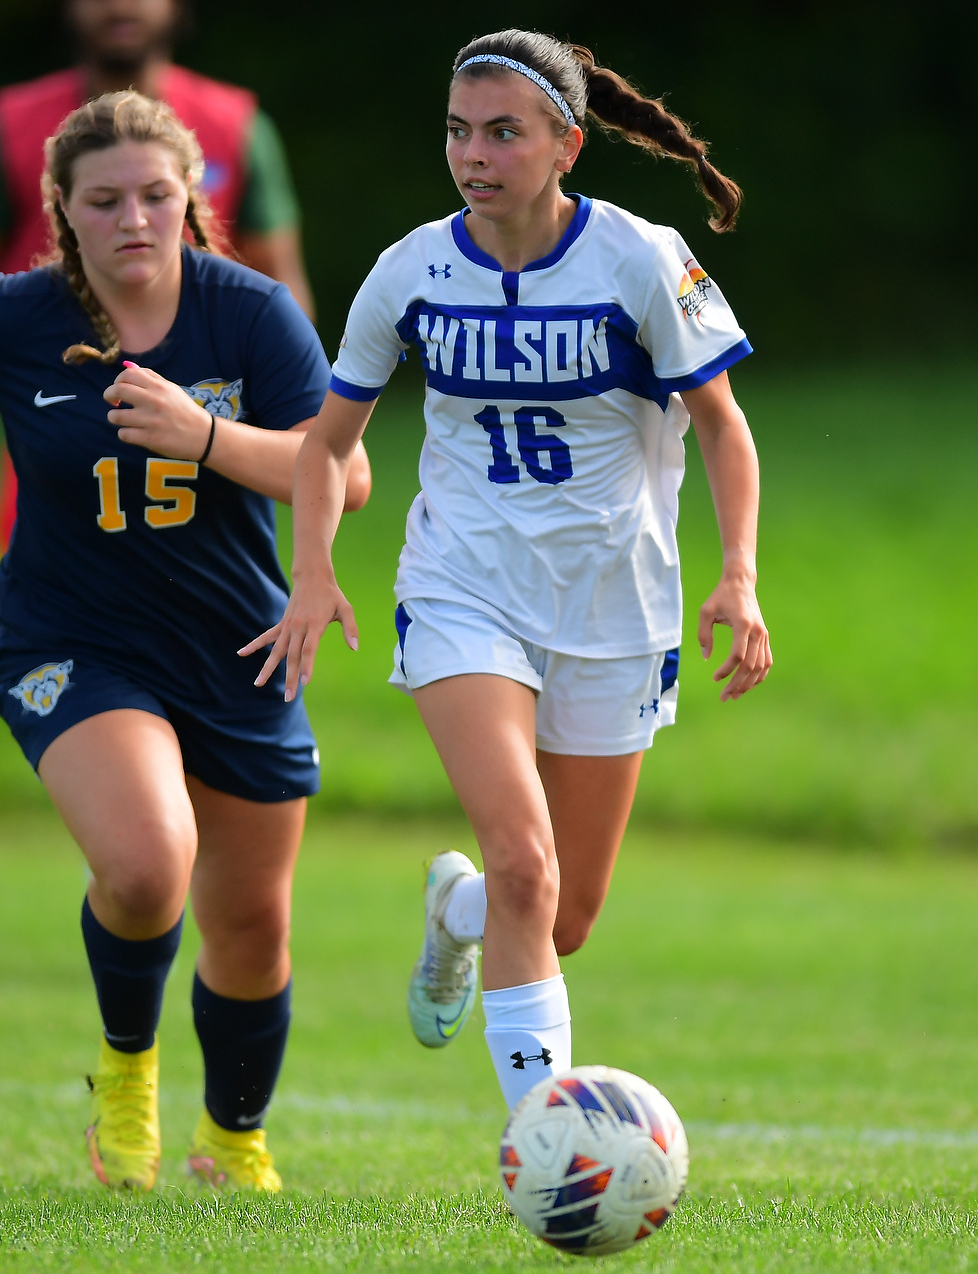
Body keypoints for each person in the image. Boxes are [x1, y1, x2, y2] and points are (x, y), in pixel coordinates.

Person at [0, 91, 369, 1191]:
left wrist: (206, 433)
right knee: (142, 863)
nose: (133, 217)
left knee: (253, 927)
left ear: (193, 201)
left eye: (156, 195)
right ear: (62, 212)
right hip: (73, 643)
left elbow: (344, 473)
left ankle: (233, 1138)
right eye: (104, 199)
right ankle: (127, 1070)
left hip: (238, 647)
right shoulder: (9, 317)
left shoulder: (251, 314)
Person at [245, 29, 771, 1114]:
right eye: (456, 131)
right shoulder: (411, 271)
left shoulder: (640, 258)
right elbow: (326, 441)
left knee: (559, 912)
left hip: (614, 605)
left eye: (502, 132)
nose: (473, 155)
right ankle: (551, 1135)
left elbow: (722, 425)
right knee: (527, 864)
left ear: (567, 144)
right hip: (461, 591)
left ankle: (457, 915)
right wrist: (313, 571)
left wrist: (740, 577)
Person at [0, 0, 315, 548]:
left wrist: (284, 421)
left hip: (207, 428)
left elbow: (283, 287)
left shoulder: (236, 125)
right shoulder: (11, 126)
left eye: (158, 195)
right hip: (58, 417)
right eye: (101, 199)